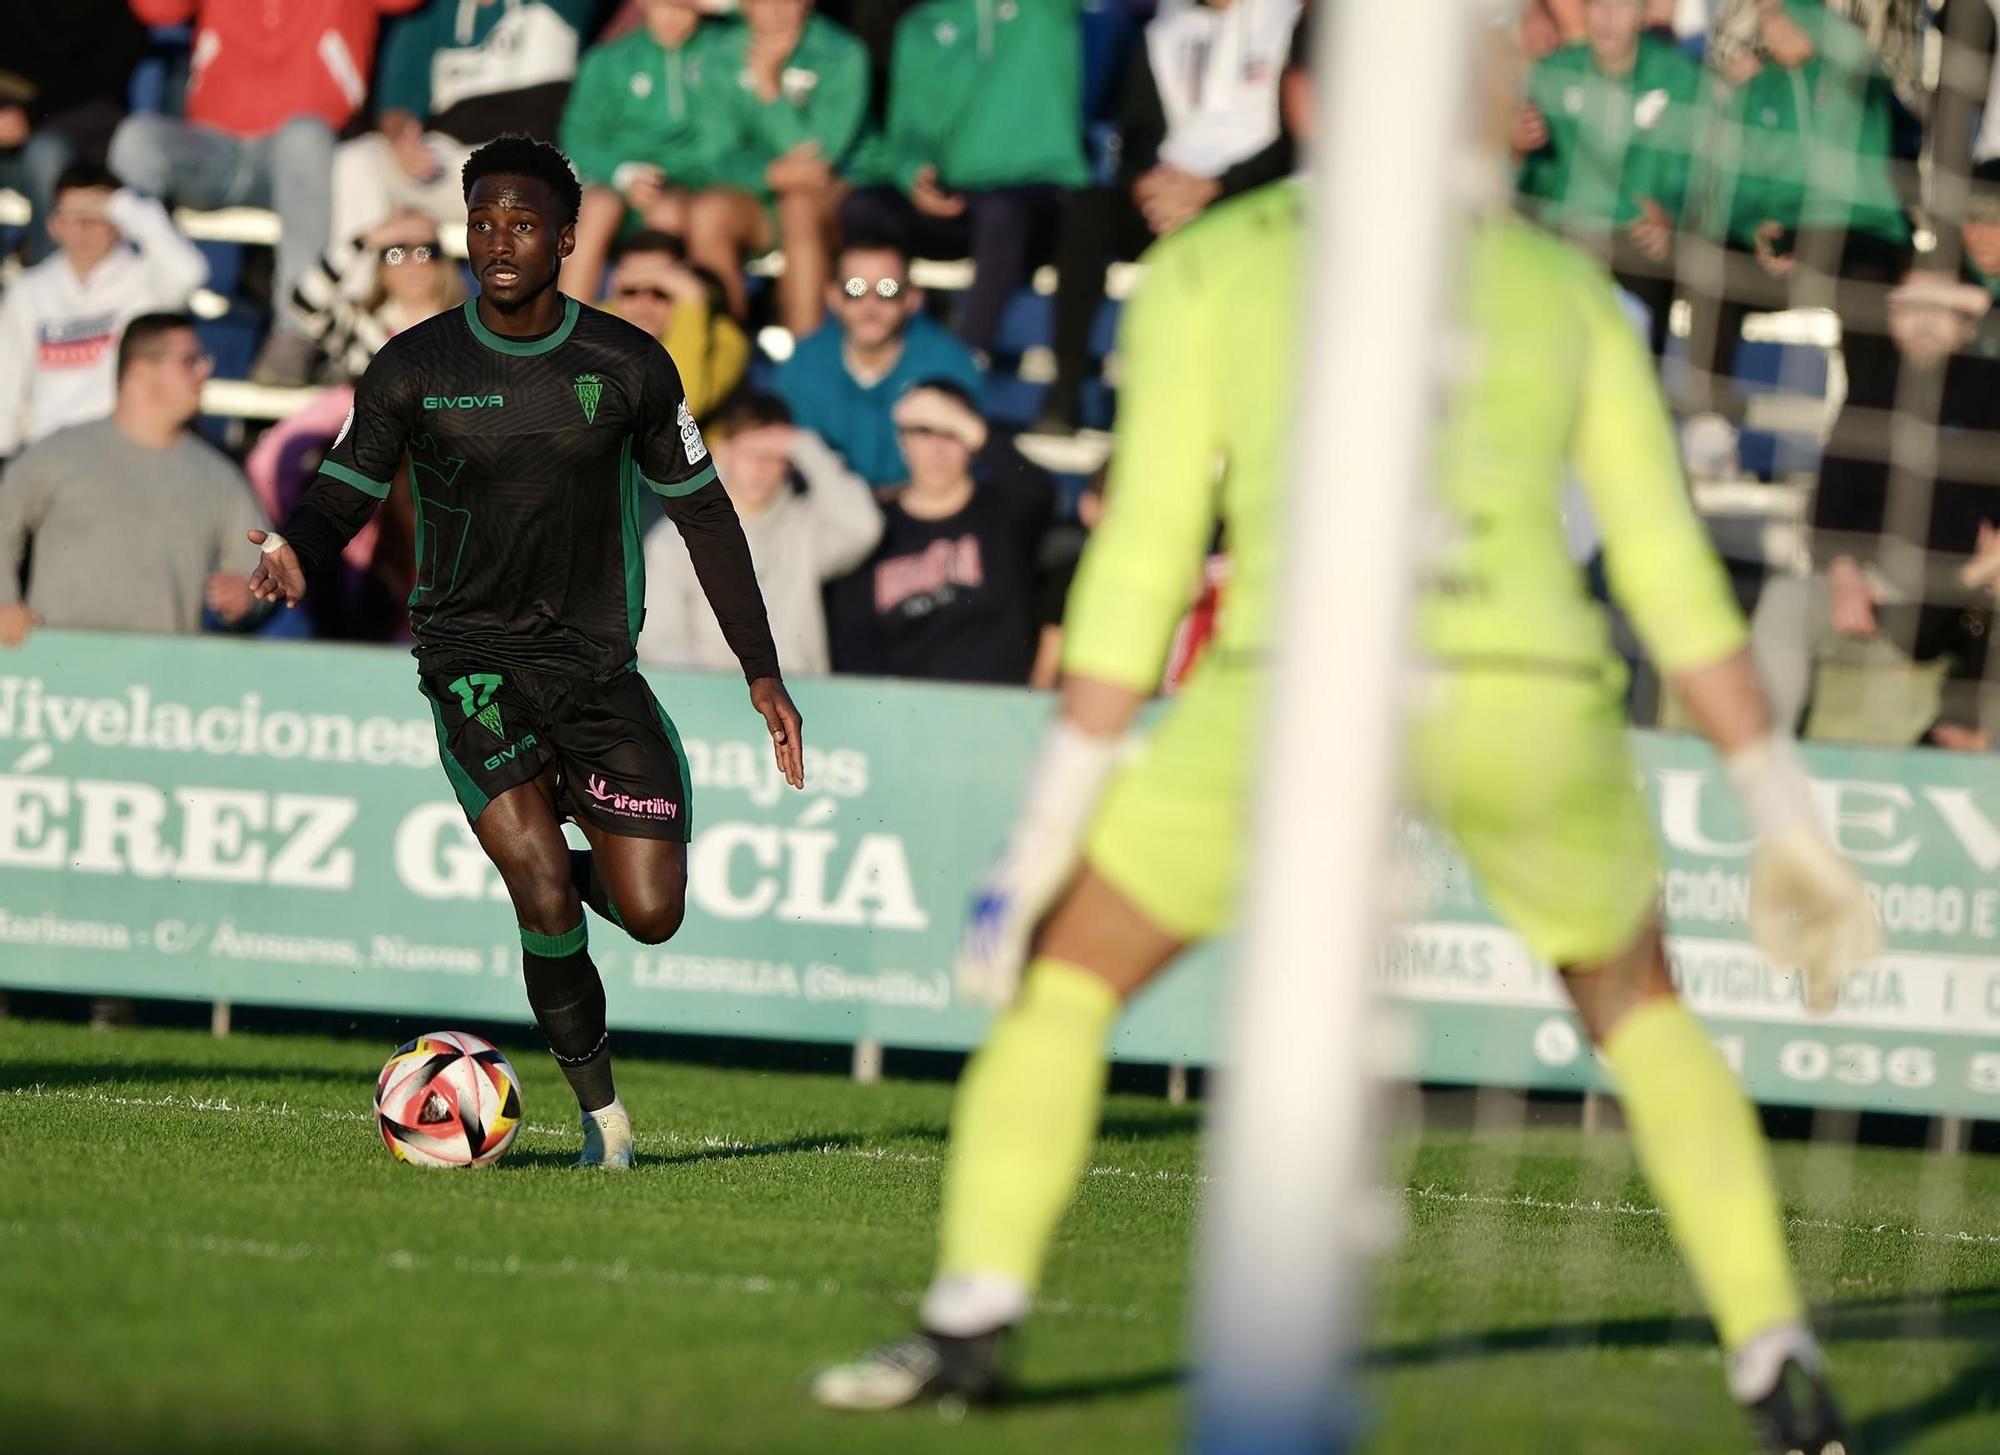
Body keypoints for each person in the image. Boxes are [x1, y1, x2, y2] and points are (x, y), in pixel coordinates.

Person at [811, 23, 1876, 1455]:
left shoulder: (1213, 263)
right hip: (1523, 691)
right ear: (1496, 114)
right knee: (1640, 1010)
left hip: (1294, 686)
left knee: (1067, 977)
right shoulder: (1562, 288)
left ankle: (971, 1320)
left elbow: (1139, 562)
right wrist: (1783, 810)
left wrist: (1047, 822)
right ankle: (1779, 1361)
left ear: (1302, 97)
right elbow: (1671, 572)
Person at [248, 135, 805, 1170]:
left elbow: (707, 515)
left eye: (521, 223)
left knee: (651, 912)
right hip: (469, 663)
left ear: (564, 238)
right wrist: (296, 550)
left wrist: (759, 670)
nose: (498, 241)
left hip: (595, 671)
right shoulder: (415, 365)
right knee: (542, 884)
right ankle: (606, 1125)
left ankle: (578, 842)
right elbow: (343, 491)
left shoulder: (626, 364)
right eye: (482, 222)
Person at [109, 0, 423, 388]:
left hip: (301, 152)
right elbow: (159, 10)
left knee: (304, 136)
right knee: (135, 142)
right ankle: (133, 316)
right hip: (213, 146)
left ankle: (294, 333)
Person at [1039, 0, 1300, 433]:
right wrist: (1146, 184)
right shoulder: (1164, 29)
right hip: (1171, 192)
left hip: (1255, 194)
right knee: (1087, 211)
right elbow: (1138, 133)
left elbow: (1297, 140)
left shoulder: (1292, 18)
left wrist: (1216, 188)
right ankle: (1064, 393)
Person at [839, 0, 1090, 355]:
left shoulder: (1047, 9)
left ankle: (961, 368)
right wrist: (916, 173)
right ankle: (871, 348)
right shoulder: (920, 25)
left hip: (1037, 194)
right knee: (863, 208)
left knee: (1001, 213)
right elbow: (908, 130)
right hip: (954, 198)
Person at [0, 312, 264, 646]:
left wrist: (247, 596)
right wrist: (4, 601)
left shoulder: (220, 476)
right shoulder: (57, 454)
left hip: (162, 688)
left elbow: (262, 568)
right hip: (62, 687)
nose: (205, 370)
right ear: (140, 370)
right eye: (190, 360)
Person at [827, 380, 1057, 682]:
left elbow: (1039, 489)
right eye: (922, 433)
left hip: (997, 708)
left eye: (950, 434)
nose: (937, 450)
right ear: (902, 441)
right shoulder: (872, 527)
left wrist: (961, 421)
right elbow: (852, 643)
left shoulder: (1004, 512)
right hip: (905, 711)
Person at [1512, 0, 1705, 357]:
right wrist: (1518, 150)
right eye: (1598, 5)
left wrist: (1669, 216)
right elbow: (1524, 183)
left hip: (1632, 243)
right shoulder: (1553, 73)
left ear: (1644, 13)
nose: (1608, 18)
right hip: (1561, 236)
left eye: (1622, 6)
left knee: (1649, 285)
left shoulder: (1680, 78)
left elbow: (1695, 174)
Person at [638, 391, 881, 674]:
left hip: (804, 705)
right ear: (721, 450)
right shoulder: (675, 538)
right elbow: (660, 643)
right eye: (750, 453)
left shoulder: (806, 527)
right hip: (712, 706)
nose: (760, 468)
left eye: (773, 456)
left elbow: (864, 528)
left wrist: (805, 446)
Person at [332, 0, 600, 245]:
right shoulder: (427, 12)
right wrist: (402, 139)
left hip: (538, 163)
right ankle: (348, 293)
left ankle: (546, 298)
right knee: (357, 161)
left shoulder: (563, 6)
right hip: (449, 166)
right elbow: (397, 104)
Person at [0, 163, 209, 464]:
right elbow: (6, 389)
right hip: (49, 459)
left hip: (126, 457)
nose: (84, 229)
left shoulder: (146, 283)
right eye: (73, 218)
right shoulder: (27, 292)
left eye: (96, 217)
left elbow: (191, 274)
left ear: (119, 223)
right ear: (53, 225)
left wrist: (125, 207)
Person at [686, 0, 869, 334]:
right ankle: (724, 355)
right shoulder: (720, 54)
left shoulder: (841, 52)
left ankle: (804, 357)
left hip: (831, 196)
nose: (776, 10)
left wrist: (768, 85)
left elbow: (817, 156)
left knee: (797, 205)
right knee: (709, 212)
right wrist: (767, 173)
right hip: (761, 197)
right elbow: (717, 154)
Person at [774, 233, 983, 488]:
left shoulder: (951, 365)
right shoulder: (804, 362)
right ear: (833, 296)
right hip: (828, 511)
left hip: (920, 511)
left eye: (888, 290)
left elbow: (964, 469)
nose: (870, 306)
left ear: (912, 299)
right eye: (854, 289)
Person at [559, 0, 727, 305]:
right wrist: (624, 174)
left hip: (687, 183)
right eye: (664, 5)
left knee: (668, 211)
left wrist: (663, 178)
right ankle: (564, 332)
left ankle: (655, 333)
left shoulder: (721, 52)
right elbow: (579, 136)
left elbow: (719, 139)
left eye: (686, 7)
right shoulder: (610, 59)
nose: (673, 17)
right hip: (619, 182)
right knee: (596, 207)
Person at [0, 2, 148, 264]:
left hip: (81, 113)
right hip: (14, 109)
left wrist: (29, 117)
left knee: (47, 156)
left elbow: (106, 72)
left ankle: (51, 286)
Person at [599, 231, 749, 421]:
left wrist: (692, 302)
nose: (644, 305)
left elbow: (678, 410)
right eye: (631, 291)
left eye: (661, 291)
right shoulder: (597, 322)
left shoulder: (724, 338)